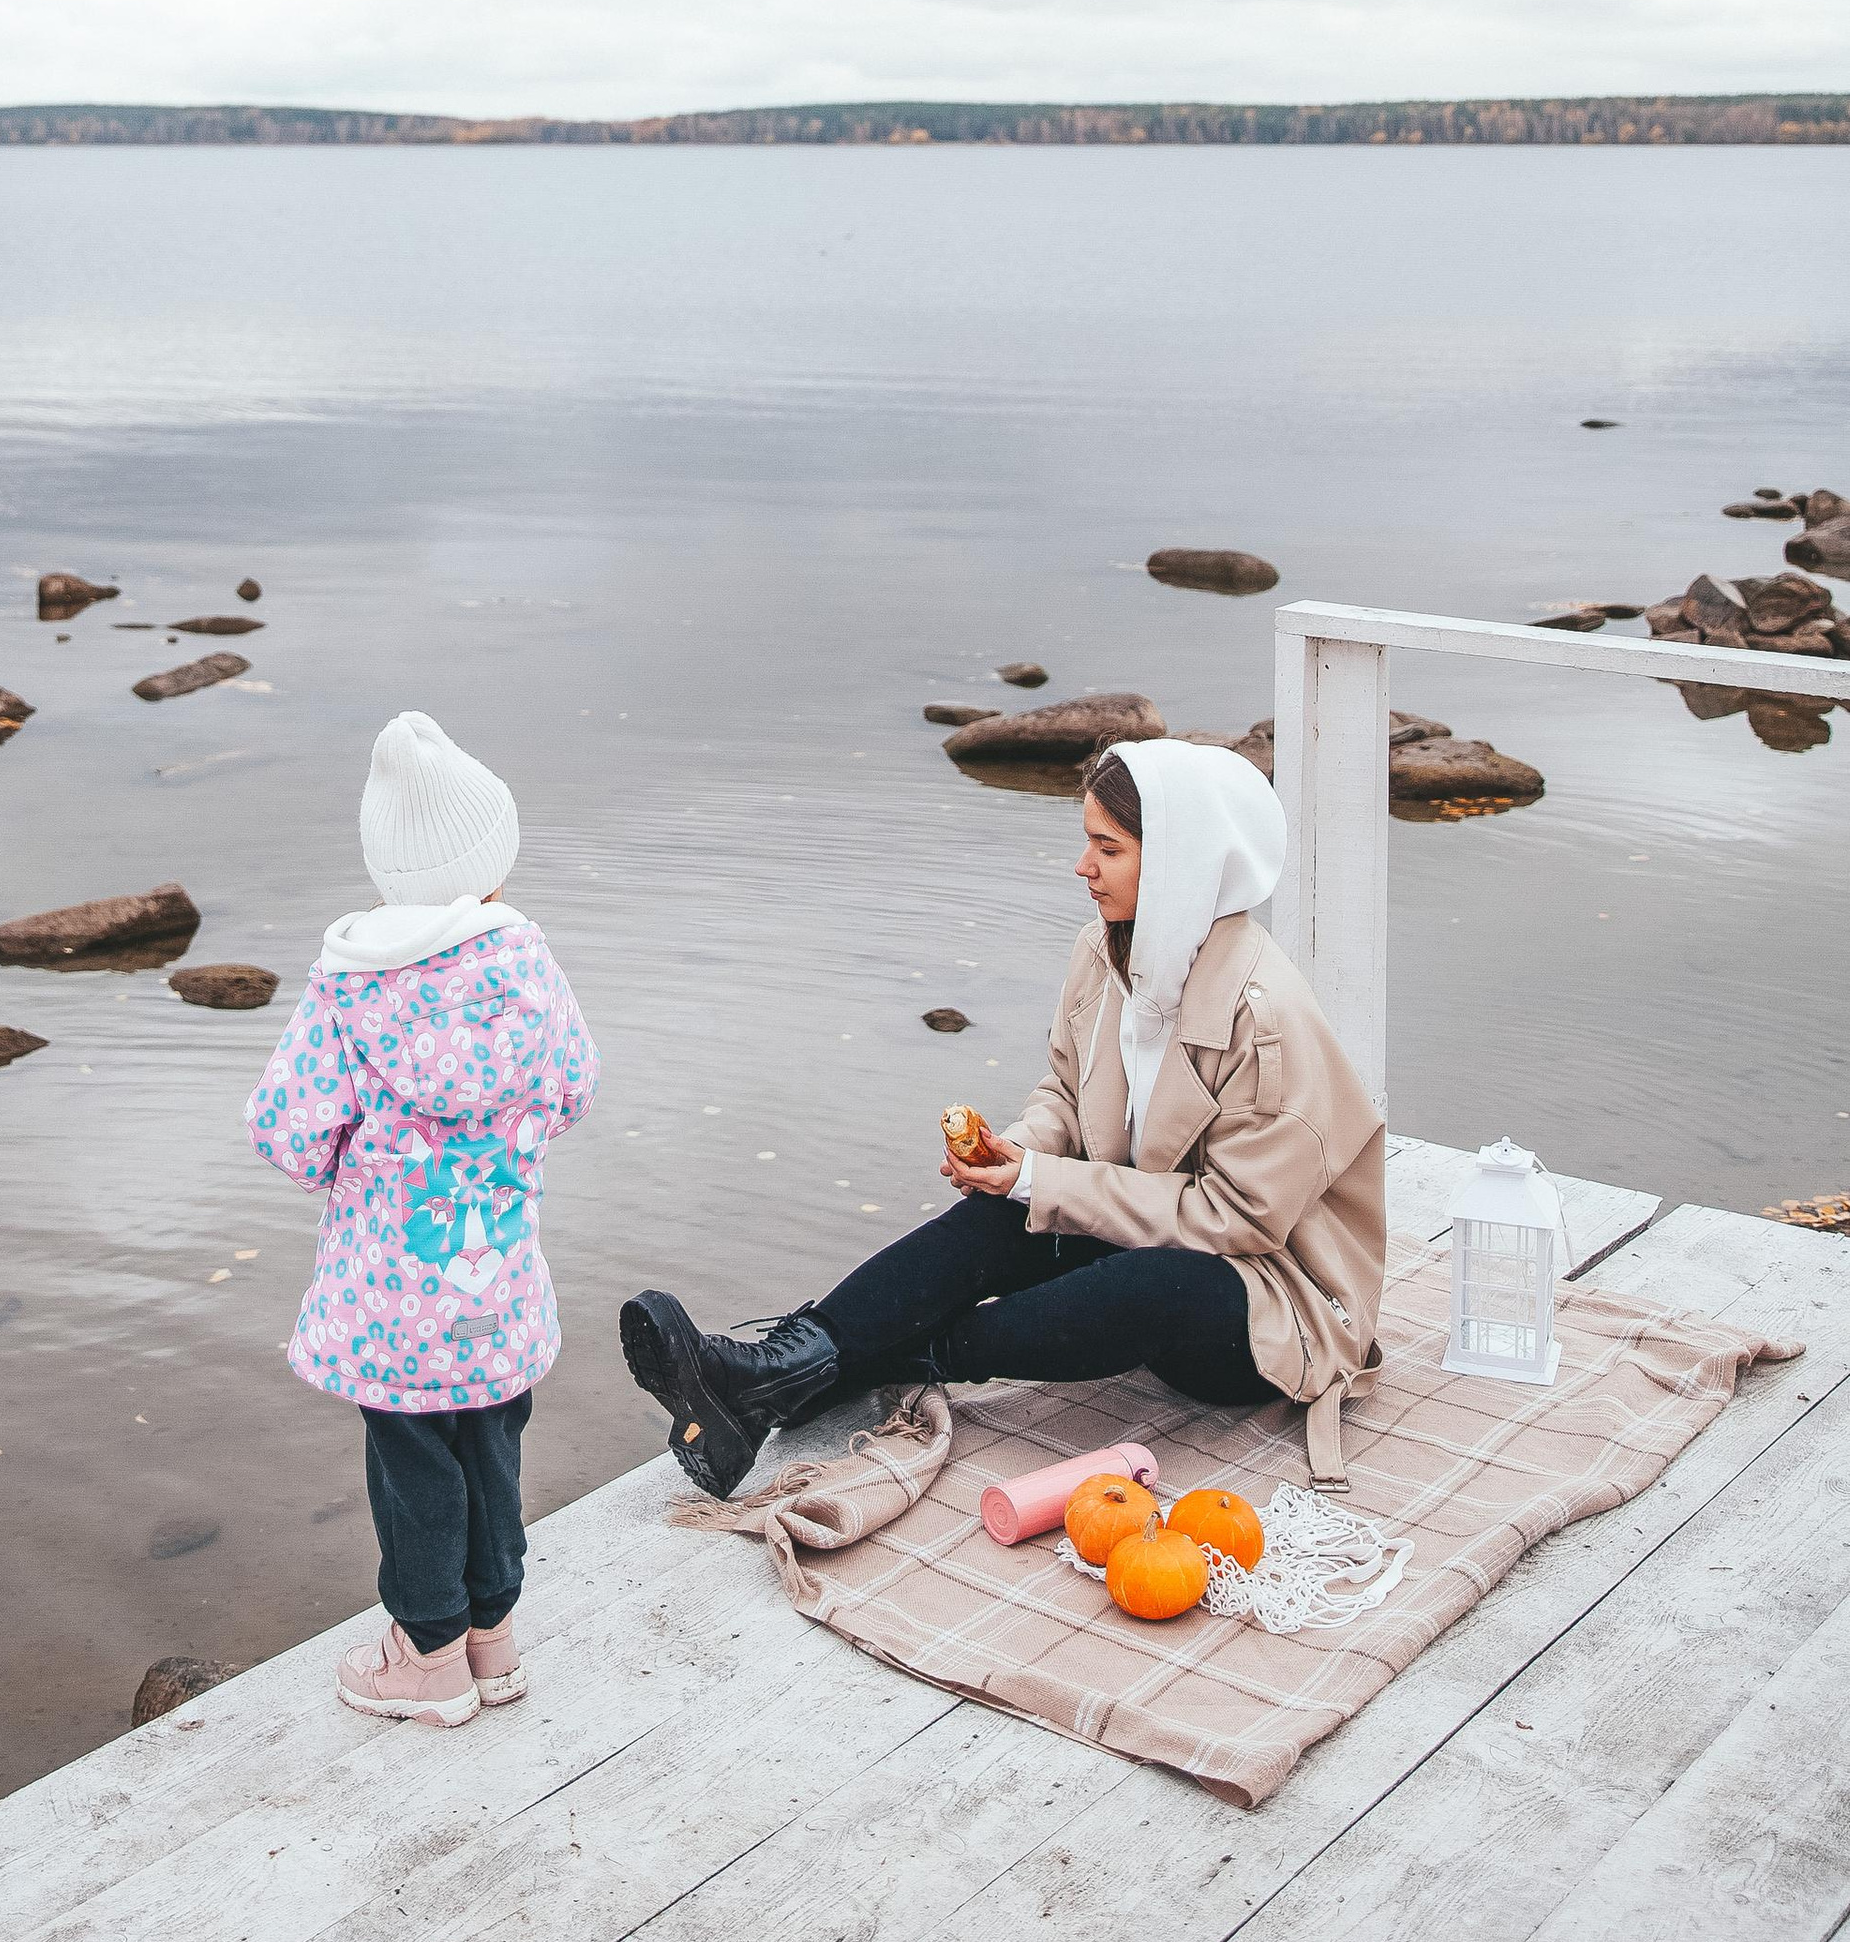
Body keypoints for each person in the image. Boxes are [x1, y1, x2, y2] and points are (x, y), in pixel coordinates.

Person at [621, 735, 1386, 1498]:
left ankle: (858, 1366)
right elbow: (1065, 1090)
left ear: (1181, 862)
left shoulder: (1266, 1018)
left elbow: (1240, 1219)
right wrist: (1017, 1154)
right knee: (1003, 1214)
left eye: (1106, 848)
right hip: (1146, 1220)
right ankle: (771, 1373)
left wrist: (1044, 1179)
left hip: (1266, 1300)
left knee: (1157, 1279)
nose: (1082, 868)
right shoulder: (1108, 951)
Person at [249, 710, 598, 1725]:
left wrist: (353, 1168)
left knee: (412, 1464)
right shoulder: (527, 966)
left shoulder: (350, 988)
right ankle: (492, 1638)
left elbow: (288, 1130)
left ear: (385, 867)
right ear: (492, 859)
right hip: (496, 1280)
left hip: (391, 1296)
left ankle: (429, 1658)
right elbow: (573, 1087)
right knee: (492, 1442)